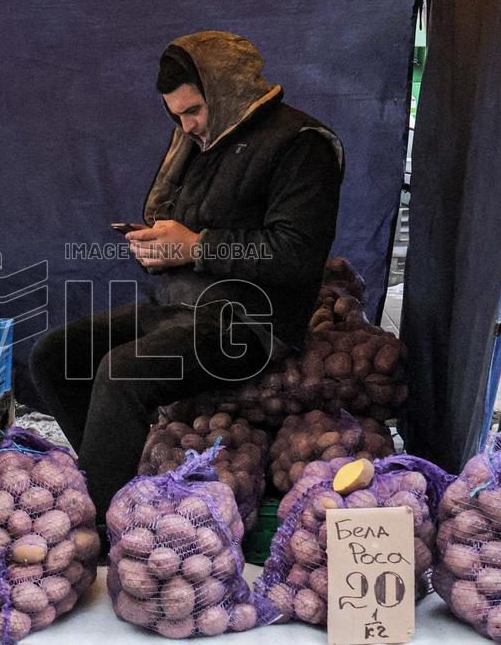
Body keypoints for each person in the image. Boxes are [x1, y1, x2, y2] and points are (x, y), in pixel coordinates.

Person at [30, 30, 345, 533]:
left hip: (253, 323)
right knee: (53, 357)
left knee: (122, 371)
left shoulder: (303, 144)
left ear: (227, 91)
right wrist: (158, 248)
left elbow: (296, 255)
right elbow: (182, 231)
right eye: (176, 114)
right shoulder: (203, 141)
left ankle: (96, 539)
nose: (187, 124)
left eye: (193, 109)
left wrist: (196, 245)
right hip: (181, 306)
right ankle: (119, 484)